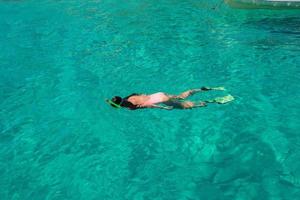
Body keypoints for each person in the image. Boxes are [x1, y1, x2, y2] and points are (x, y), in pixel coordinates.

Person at [106, 86, 234, 110]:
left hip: (159, 100)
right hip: (158, 94)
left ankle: (215, 100)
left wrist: (165, 108)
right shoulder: (130, 95)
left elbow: (150, 105)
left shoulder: (130, 107)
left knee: (188, 106)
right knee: (182, 95)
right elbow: (144, 95)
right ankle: (205, 89)